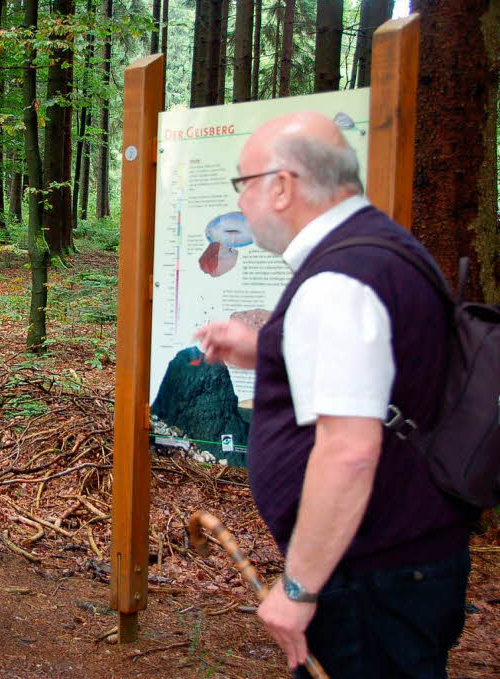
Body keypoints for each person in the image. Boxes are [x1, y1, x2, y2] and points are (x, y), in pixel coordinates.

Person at [195, 112, 475, 678]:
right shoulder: (378, 251)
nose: (242, 203)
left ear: (282, 186)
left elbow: (349, 451)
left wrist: (298, 586)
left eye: (243, 185)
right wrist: (264, 347)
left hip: (371, 580)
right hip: (398, 566)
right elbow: (379, 374)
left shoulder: (340, 281)